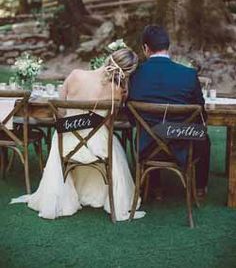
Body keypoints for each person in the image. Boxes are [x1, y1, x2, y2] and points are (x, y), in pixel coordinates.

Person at [11, 48, 145, 221]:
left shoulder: (75, 75)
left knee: (59, 135)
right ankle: (104, 195)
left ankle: (64, 196)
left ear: (108, 59)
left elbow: (60, 111)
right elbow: (110, 121)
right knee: (113, 143)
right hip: (98, 146)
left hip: (67, 140)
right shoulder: (117, 91)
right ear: (127, 73)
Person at [128, 25, 210, 198]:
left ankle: (155, 188)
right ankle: (200, 187)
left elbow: (132, 118)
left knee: (152, 130)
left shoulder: (134, 75)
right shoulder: (188, 74)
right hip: (183, 145)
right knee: (204, 137)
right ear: (168, 47)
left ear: (145, 48)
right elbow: (201, 114)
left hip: (146, 146)